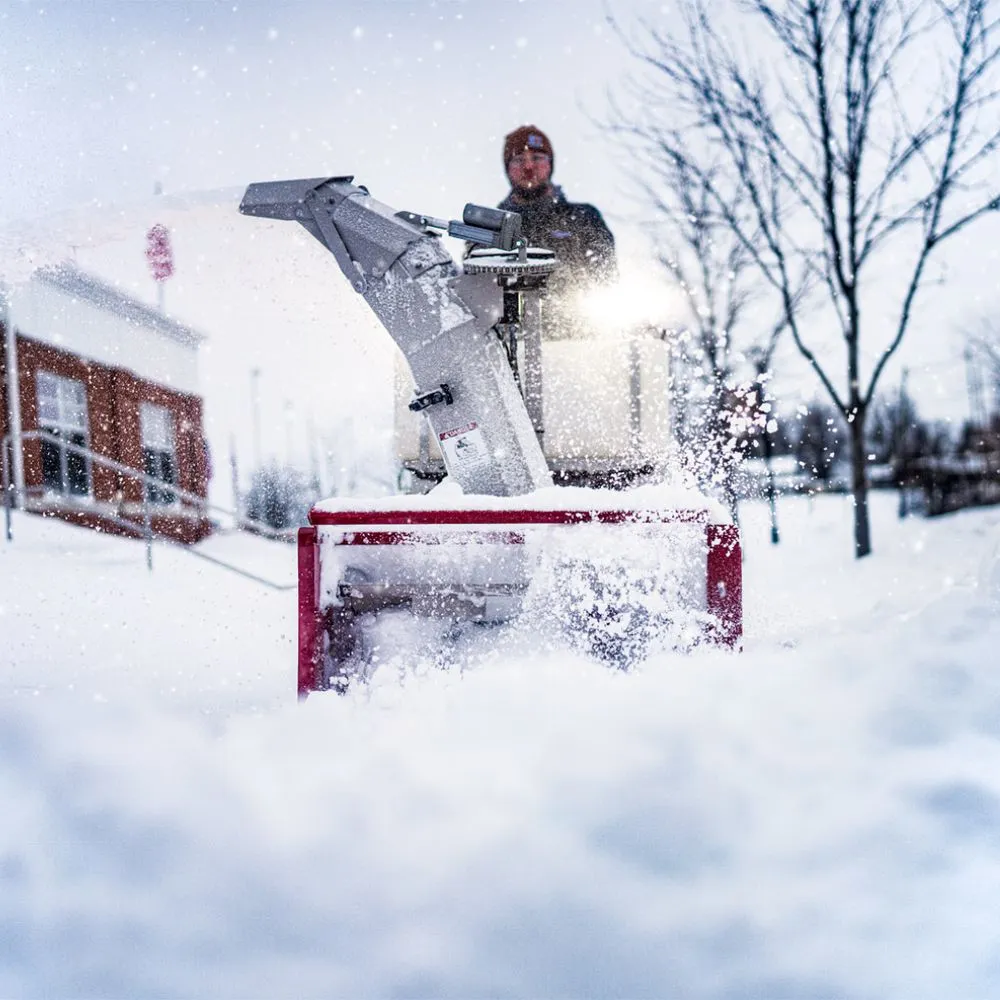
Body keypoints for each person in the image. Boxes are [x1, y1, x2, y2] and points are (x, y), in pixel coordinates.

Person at [498, 124, 617, 286]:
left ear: (550, 164)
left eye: (537, 158)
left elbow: (606, 277)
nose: (528, 167)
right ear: (508, 168)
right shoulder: (491, 226)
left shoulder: (584, 218)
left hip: (575, 309)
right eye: (519, 159)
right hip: (500, 311)